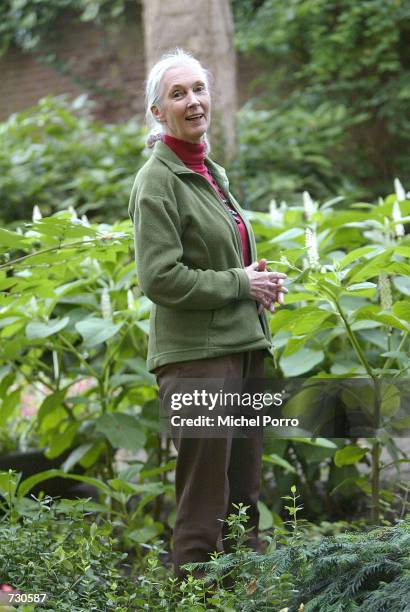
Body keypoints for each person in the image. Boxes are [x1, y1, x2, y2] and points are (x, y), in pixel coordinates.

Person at [128, 48, 287, 580]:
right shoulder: (158, 180)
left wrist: (255, 285)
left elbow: (221, 264)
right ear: (157, 112)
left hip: (242, 349)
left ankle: (247, 594)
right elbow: (160, 278)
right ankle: (192, 593)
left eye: (199, 89)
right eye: (178, 93)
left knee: (244, 496)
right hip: (197, 360)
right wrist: (239, 281)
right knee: (204, 505)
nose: (193, 101)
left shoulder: (210, 172)